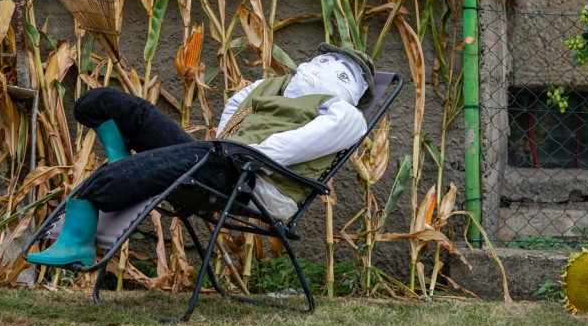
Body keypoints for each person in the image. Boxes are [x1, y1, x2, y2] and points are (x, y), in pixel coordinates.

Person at [26, 43, 375, 268]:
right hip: (220, 162)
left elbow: (290, 147)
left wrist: (229, 153)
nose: (325, 65)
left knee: (182, 159)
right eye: (326, 58)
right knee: (106, 102)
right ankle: (120, 161)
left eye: (339, 67)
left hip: (256, 184)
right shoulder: (272, 85)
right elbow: (235, 107)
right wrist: (220, 146)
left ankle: (79, 240)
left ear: (353, 86)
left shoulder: (346, 114)